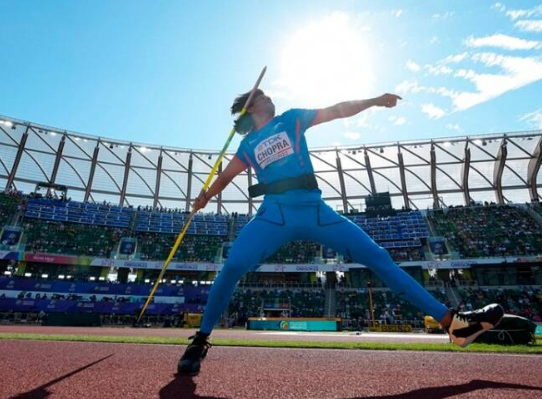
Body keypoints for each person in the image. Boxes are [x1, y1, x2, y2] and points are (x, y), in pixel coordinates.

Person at [177, 90, 504, 375]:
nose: (270, 98)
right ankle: (200, 341)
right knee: (234, 265)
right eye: (263, 97)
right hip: (275, 214)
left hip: (316, 211)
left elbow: (336, 110)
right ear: (251, 107)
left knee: (379, 257)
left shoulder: (290, 119)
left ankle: (455, 325)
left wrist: (373, 101)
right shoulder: (248, 144)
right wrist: (205, 197)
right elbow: (227, 175)